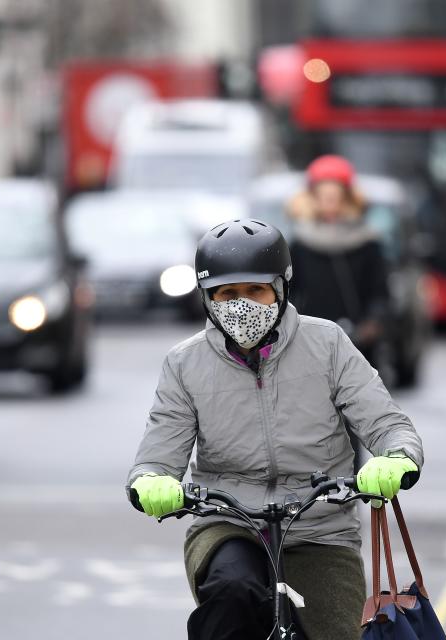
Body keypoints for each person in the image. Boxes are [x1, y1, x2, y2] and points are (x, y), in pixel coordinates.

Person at [126, 219, 424, 640]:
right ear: (207, 298)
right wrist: (151, 480)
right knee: (232, 590)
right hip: (228, 524)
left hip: (321, 530)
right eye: (227, 294)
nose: (241, 304)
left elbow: (388, 423)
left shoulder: (329, 344)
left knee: (339, 633)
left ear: (281, 289)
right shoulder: (184, 364)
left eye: (255, 291)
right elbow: (157, 452)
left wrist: (396, 457)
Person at [287, 155, 391, 372]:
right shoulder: (300, 243)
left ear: (348, 197)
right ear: (312, 198)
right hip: (310, 344)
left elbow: (380, 293)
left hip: (358, 345)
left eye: (335, 195)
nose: (330, 202)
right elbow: (288, 293)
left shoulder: (368, 243)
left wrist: (371, 325)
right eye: (323, 195)